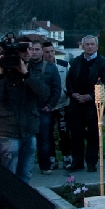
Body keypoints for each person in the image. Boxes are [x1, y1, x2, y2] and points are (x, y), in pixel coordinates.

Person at [0, 39, 50, 183]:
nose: (29, 53)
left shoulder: (34, 70)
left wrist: (26, 74)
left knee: (25, 174)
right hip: (8, 130)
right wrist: (0, 73)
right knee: (9, 175)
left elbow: (44, 93)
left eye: (30, 49)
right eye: (24, 50)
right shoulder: (1, 72)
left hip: (29, 128)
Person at [65, 35, 105, 172]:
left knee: (93, 134)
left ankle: (91, 162)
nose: (90, 46)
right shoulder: (76, 61)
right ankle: (77, 161)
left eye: (92, 44)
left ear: (97, 46)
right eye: (87, 44)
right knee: (75, 134)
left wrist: (90, 97)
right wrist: (73, 93)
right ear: (83, 46)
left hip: (94, 105)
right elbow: (69, 80)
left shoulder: (104, 63)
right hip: (76, 104)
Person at [27, 40, 61, 173]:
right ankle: (28, 165)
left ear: (42, 51)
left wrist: (51, 105)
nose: (34, 52)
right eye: (32, 49)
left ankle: (45, 165)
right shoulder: (23, 66)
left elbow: (57, 88)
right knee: (28, 140)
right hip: (27, 109)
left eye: (37, 49)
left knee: (44, 138)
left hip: (43, 109)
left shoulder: (51, 68)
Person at [42, 41, 71, 170]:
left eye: (52, 51)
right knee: (47, 133)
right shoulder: (40, 67)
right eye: (46, 52)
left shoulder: (64, 65)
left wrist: (67, 92)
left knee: (63, 131)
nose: (49, 54)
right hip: (47, 106)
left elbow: (70, 81)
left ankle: (67, 156)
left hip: (62, 104)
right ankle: (51, 158)